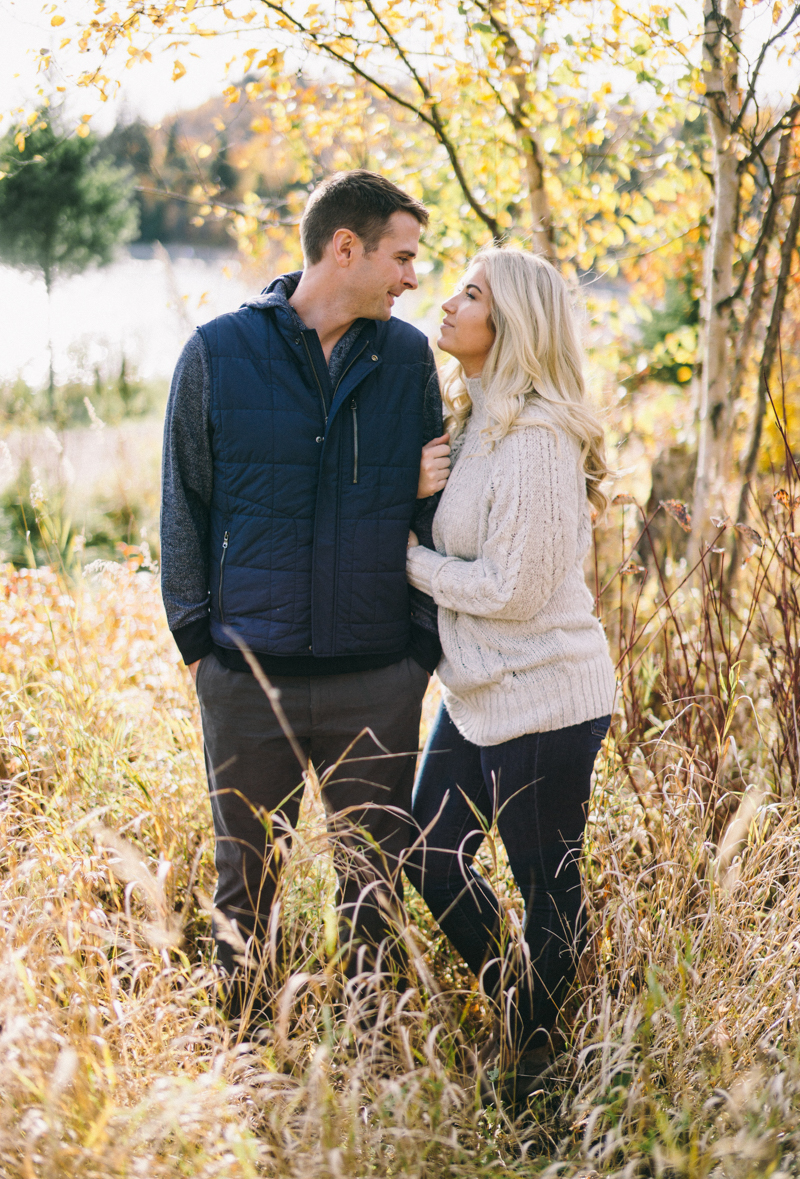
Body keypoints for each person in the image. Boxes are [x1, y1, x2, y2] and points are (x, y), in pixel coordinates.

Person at [160, 170, 452, 1021]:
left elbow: (432, 508)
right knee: (244, 889)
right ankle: (249, 1066)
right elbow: (184, 501)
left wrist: (418, 654)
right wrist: (198, 648)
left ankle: (369, 1069)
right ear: (345, 248)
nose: (410, 278)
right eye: (401, 257)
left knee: (375, 895)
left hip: (377, 678)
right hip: (249, 680)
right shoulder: (217, 353)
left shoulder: (406, 358)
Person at [403, 247, 616, 1105]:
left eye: (470, 293)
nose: (447, 303)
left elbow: (514, 589)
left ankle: (536, 1066)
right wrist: (419, 490)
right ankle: (524, 1000)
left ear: (511, 323)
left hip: (545, 694)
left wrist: (407, 562)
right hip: (480, 690)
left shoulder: (535, 438)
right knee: (428, 855)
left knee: (546, 891)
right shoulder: (475, 421)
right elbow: (466, 538)